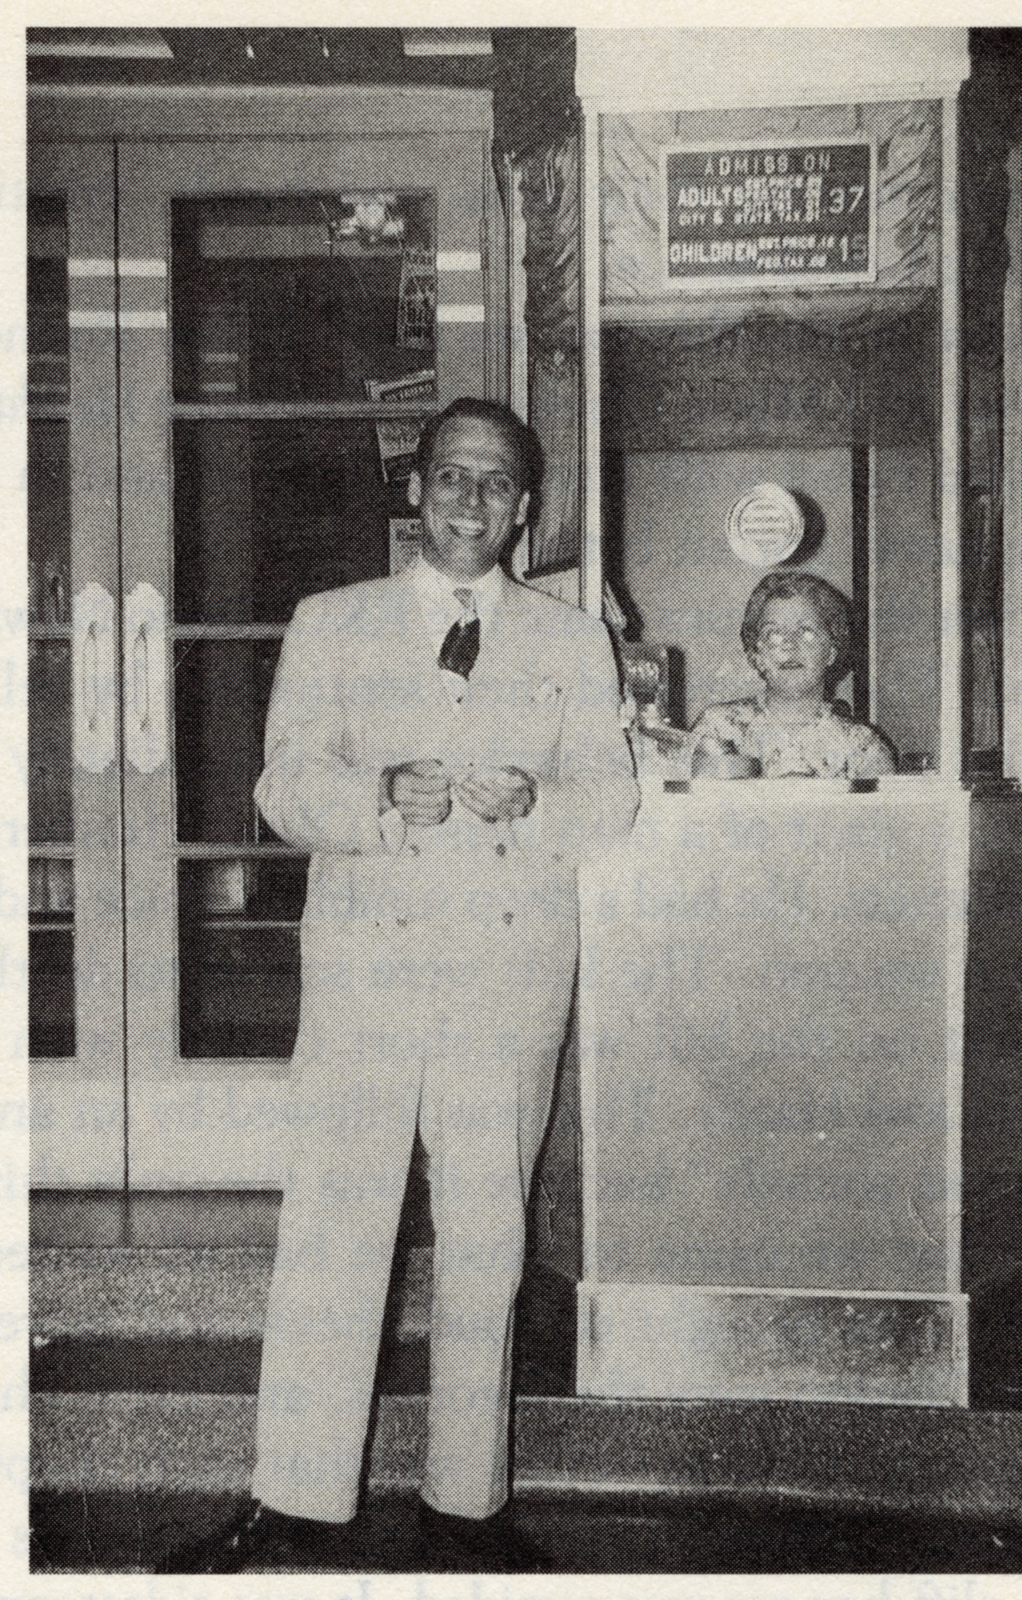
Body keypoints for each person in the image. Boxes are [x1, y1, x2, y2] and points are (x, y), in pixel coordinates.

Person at [163, 399, 638, 1574]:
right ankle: (296, 1499)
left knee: (488, 1236)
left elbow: (612, 800)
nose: (471, 500)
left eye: (496, 482)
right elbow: (283, 784)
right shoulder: (333, 622)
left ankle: (467, 1506)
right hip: (368, 972)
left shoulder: (573, 639)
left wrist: (536, 805)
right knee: (334, 1226)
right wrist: (376, 797)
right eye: (451, 477)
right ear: (416, 492)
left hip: (506, 970)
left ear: (524, 508)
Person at [692, 570, 896, 779]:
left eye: (806, 632)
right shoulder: (717, 728)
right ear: (757, 654)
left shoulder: (863, 748)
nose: (789, 645)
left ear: (831, 651)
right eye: (775, 633)